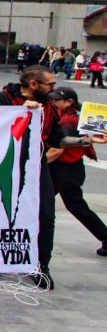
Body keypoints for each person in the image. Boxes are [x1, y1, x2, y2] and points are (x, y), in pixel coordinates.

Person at [0, 66, 90, 290]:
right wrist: (21, 113)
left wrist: (85, 141)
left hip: (38, 164)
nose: (54, 89)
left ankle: (41, 265)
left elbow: (58, 139)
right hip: (7, 164)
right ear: (34, 84)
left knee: (46, 214)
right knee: (0, 210)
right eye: (50, 85)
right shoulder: (3, 98)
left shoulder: (49, 107)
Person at [46, 87, 107, 257]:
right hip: (70, 168)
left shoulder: (67, 122)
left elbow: (59, 149)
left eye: (57, 100)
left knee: (75, 206)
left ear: (69, 102)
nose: (53, 102)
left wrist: (38, 163)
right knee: (42, 203)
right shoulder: (77, 116)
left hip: (64, 170)